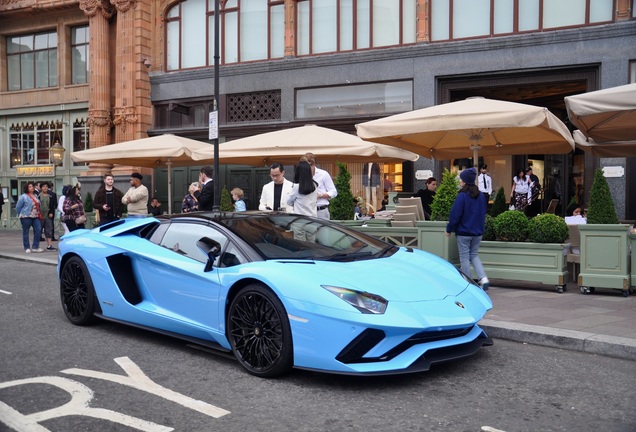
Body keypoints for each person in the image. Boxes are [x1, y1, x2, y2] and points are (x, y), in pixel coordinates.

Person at [445, 167, 489, 291]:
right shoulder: (480, 196)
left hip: (464, 232)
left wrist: (449, 229)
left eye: (461, 179)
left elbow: (455, 214)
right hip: (478, 231)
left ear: (464, 181)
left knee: (464, 257)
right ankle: (483, 278)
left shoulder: (462, 196)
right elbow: (483, 212)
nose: (460, 181)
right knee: (474, 255)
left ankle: (468, 284)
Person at [302, 153, 337, 220]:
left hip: (321, 210)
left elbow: (334, 192)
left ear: (314, 164)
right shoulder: (302, 176)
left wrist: (321, 195)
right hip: (306, 211)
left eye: (310, 166)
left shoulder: (323, 174)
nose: (308, 169)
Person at [15, 181, 43, 253]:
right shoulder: (23, 196)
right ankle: (27, 247)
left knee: (38, 229)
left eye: (32, 186)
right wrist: (20, 214)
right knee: (26, 232)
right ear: (27, 188)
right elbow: (18, 207)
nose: (32, 188)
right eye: (30, 186)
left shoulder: (36, 196)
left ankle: (35, 247)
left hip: (35, 216)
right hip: (26, 216)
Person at [38, 182, 56, 251]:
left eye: (46, 186)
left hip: (48, 216)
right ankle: (36, 245)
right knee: (38, 230)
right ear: (41, 188)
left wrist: (51, 212)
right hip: (40, 216)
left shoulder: (50, 196)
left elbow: (52, 206)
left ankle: (49, 245)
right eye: (43, 186)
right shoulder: (38, 196)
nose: (45, 188)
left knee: (48, 230)